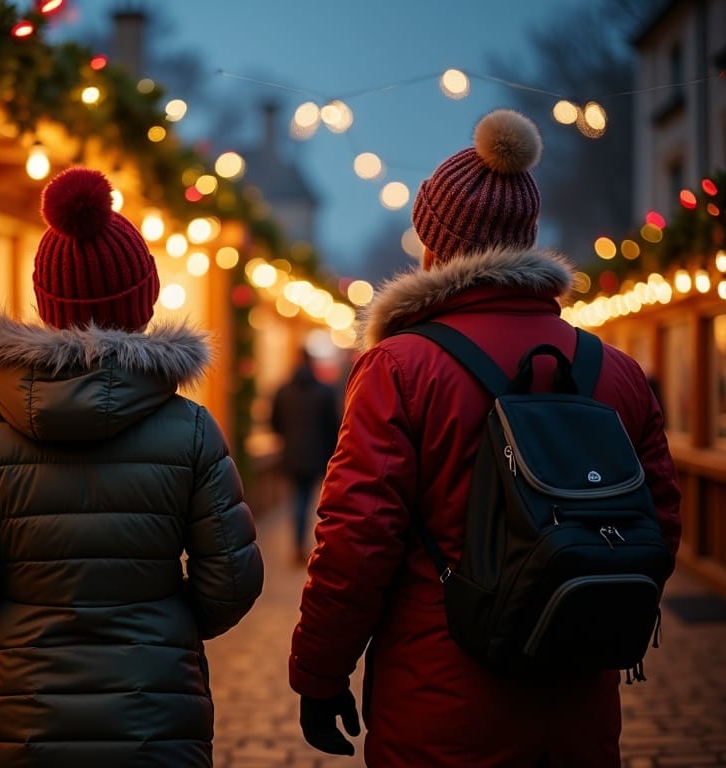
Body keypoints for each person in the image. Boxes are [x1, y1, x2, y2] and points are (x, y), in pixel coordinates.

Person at [288, 109, 682, 767]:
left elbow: (357, 538)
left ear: (436, 243)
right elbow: (660, 523)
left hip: (439, 706)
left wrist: (319, 674)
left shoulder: (400, 368)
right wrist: (579, 605)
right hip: (577, 703)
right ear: (526, 240)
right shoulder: (614, 371)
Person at [0, 167, 264, 768]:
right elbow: (232, 581)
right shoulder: (190, 428)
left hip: (22, 713)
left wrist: (19, 616)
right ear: (144, 298)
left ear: (46, 304)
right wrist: (163, 625)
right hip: (155, 714)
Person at [270, 347, 340, 565]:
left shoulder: (283, 391)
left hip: (291, 455)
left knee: (297, 499)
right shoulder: (324, 392)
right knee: (310, 499)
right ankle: (314, 544)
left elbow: (275, 422)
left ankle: (298, 544)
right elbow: (333, 426)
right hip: (317, 456)